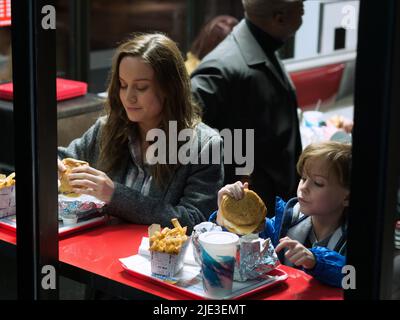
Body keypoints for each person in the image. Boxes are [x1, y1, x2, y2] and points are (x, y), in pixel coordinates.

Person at [57, 33, 224, 231]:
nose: (129, 97)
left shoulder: (204, 145)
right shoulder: (107, 128)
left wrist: (115, 195)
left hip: (159, 260)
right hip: (98, 253)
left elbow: (196, 220)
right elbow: (63, 157)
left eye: (141, 87)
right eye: (123, 85)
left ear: (169, 89)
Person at [191, 0, 305, 216]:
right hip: (247, 211)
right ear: (279, 18)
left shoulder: (262, 47)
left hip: (272, 206)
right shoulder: (221, 69)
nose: (302, 16)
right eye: (301, 10)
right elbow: (183, 137)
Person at [211, 141, 351, 287]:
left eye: (318, 183)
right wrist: (224, 216)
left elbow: (354, 276)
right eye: (303, 178)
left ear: (346, 197)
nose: (304, 187)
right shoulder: (285, 221)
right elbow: (246, 238)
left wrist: (316, 260)